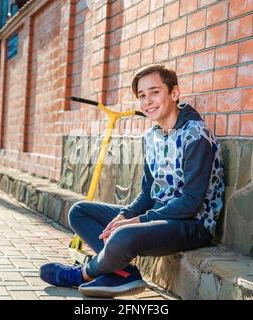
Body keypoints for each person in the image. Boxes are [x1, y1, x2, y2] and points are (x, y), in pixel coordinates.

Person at [40, 64, 225, 298]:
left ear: (174, 93)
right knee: (79, 211)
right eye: (142, 95)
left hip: (192, 224)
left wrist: (135, 222)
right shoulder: (151, 137)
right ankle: (124, 273)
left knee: (123, 235)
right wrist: (123, 216)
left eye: (155, 92)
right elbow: (147, 192)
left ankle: (82, 274)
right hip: (158, 216)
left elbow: (191, 202)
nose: (148, 101)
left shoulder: (196, 134)